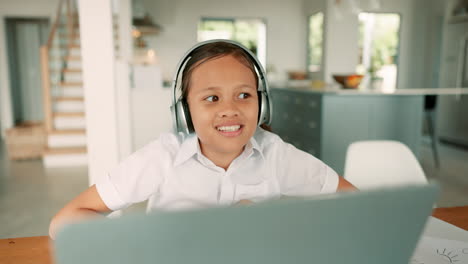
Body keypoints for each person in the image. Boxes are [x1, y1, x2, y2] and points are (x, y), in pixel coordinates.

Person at [49, 40, 356, 240]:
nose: (230, 110)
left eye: (244, 95)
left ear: (262, 105)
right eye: (211, 98)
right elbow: (63, 222)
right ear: (185, 112)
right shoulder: (162, 158)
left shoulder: (277, 156)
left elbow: (355, 201)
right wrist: (144, 240)